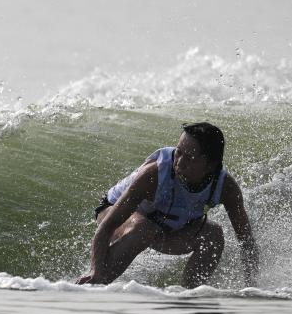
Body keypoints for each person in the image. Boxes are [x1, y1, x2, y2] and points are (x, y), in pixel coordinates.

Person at [77, 122, 258, 287]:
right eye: (178, 152)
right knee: (144, 229)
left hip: (165, 229)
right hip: (114, 212)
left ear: (211, 165)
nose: (179, 163)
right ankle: (94, 286)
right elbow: (108, 225)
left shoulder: (225, 187)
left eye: (189, 158)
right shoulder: (154, 174)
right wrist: (95, 270)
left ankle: (187, 296)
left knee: (213, 236)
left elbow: (246, 241)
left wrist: (251, 285)